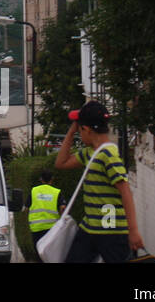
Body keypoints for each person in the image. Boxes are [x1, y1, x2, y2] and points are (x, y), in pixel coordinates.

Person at [54, 100, 143, 262]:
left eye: (79, 130)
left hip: (111, 230)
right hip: (90, 227)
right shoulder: (89, 152)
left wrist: (133, 231)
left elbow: (125, 192)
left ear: (86, 130)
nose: (79, 133)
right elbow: (61, 163)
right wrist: (71, 132)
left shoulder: (109, 155)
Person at [26, 170, 66, 256]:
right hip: (51, 228)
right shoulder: (56, 192)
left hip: (36, 228)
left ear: (41, 179)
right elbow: (63, 208)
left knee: (39, 252)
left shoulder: (34, 191)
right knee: (50, 252)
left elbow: (26, 207)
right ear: (52, 179)